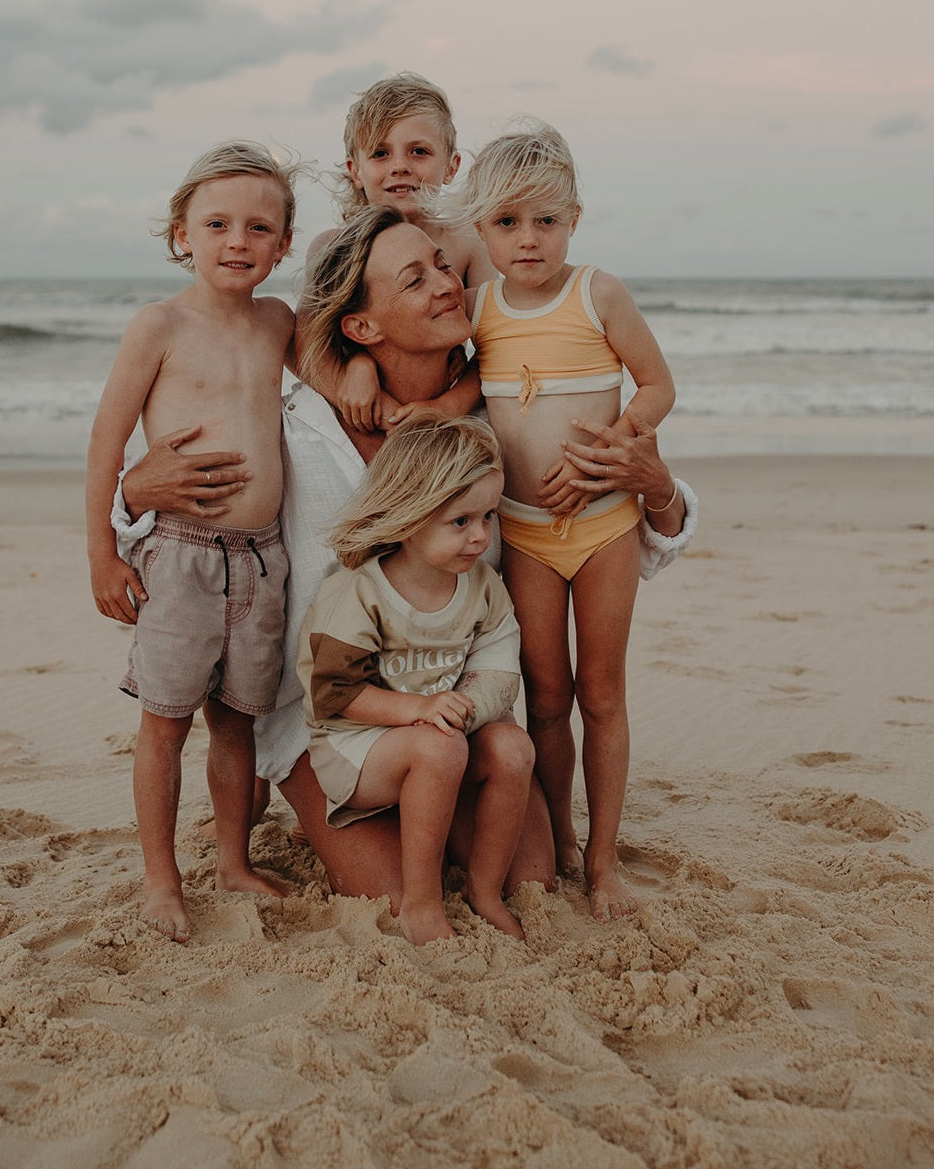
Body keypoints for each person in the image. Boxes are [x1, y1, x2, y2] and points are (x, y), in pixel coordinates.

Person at [116, 205, 697, 922]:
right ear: (361, 327)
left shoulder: (490, 419)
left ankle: (451, 803)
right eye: (414, 280)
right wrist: (132, 494)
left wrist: (659, 489)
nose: (447, 285)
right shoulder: (298, 422)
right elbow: (199, 521)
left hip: (454, 703)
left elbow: (611, 532)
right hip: (330, 717)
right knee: (393, 897)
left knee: (531, 881)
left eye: (442, 266)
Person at [453, 121, 677, 920]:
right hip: (524, 533)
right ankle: (562, 836)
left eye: (546, 220)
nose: (528, 239)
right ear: (480, 229)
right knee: (545, 697)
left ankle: (607, 858)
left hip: (605, 525)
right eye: (508, 223)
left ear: (573, 218)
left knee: (601, 693)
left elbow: (655, 387)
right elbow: (454, 398)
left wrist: (610, 451)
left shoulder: (598, 293)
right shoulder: (477, 310)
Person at [86, 141, 298, 943]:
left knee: (237, 721)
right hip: (178, 553)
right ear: (182, 234)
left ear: (282, 245)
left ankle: (233, 860)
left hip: (262, 556)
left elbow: (337, 387)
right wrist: (104, 551)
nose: (236, 241)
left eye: (258, 227)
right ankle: (160, 879)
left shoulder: (281, 322)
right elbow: (106, 443)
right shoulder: (160, 324)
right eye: (216, 224)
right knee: (166, 723)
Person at [299, 417, 535, 944]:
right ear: (408, 515)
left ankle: (484, 890)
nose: (480, 536)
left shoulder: (483, 587)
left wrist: (461, 708)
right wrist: (419, 712)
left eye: (488, 517)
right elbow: (333, 693)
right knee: (438, 750)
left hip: (444, 731)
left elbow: (500, 670)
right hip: (359, 745)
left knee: (514, 748)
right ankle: (421, 904)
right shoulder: (358, 593)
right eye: (460, 521)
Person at [298, 72, 493, 434]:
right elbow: (306, 342)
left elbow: (500, 346)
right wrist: (355, 368)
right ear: (355, 170)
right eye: (380, 153)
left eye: (418, 151)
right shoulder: (332, 248)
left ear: (451, 166)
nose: (399, 166)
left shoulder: (469, 244)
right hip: (362, 418)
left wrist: (448, 406)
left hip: (447, 411)